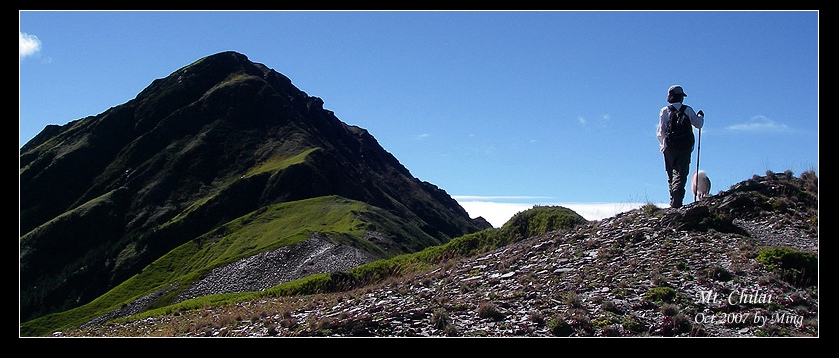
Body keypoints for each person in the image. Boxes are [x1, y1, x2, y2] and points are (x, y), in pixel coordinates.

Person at [657, 85, 704, 208]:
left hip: (669, 146)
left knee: (670, 173)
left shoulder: (665, 111)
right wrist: (701, 117)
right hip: (685, 147)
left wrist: (663, 145)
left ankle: (673, 199)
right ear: (681, 97)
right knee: (681, 173)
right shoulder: (688, 110)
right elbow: (698, 125)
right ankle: (678, 198)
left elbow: (661, 131)